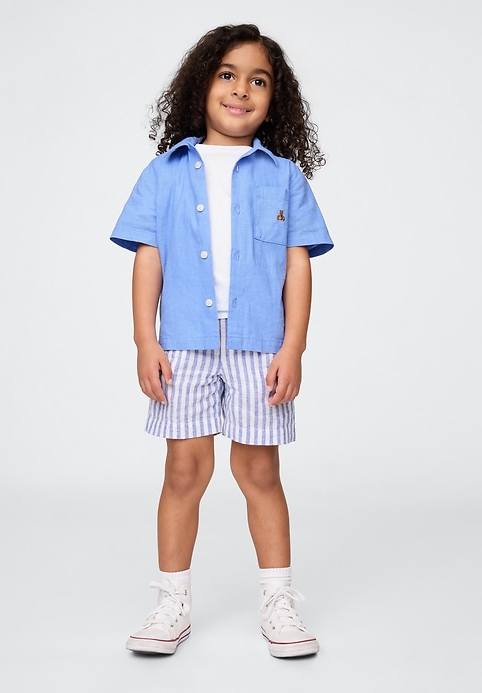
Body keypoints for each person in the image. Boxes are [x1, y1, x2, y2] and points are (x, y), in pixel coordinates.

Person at [110, 23, 334, 658]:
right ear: (202, 84)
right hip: (183, 342)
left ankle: (278, 601)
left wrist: (293, 348)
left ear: (275, 99)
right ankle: (171, 603)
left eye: (258, 80)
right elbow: (148, 259)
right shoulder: (164, 172)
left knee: (259, 470)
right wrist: (144, 341)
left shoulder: (284, 177)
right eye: (228, 75)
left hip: (261, 346)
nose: (241, 89)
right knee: (184, 470)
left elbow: (298, 267)